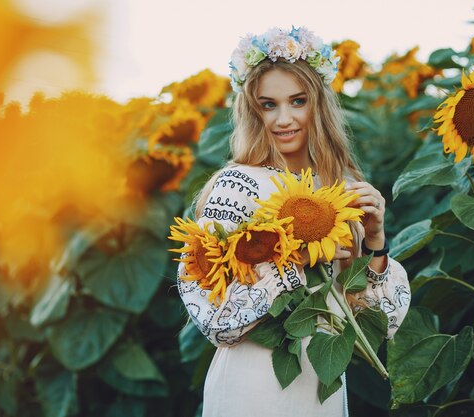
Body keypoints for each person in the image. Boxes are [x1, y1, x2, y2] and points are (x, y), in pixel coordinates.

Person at [176, 27, 411, 417]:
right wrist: (296, 258)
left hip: (322, 383)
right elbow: (214, 319)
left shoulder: (341, 187)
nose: (283, 119)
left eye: (297, 101)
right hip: (253, 383)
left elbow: (377, 326)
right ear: (253, 110)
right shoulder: (238, 185)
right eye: (269, 105)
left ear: (318, 105)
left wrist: (375, 239)